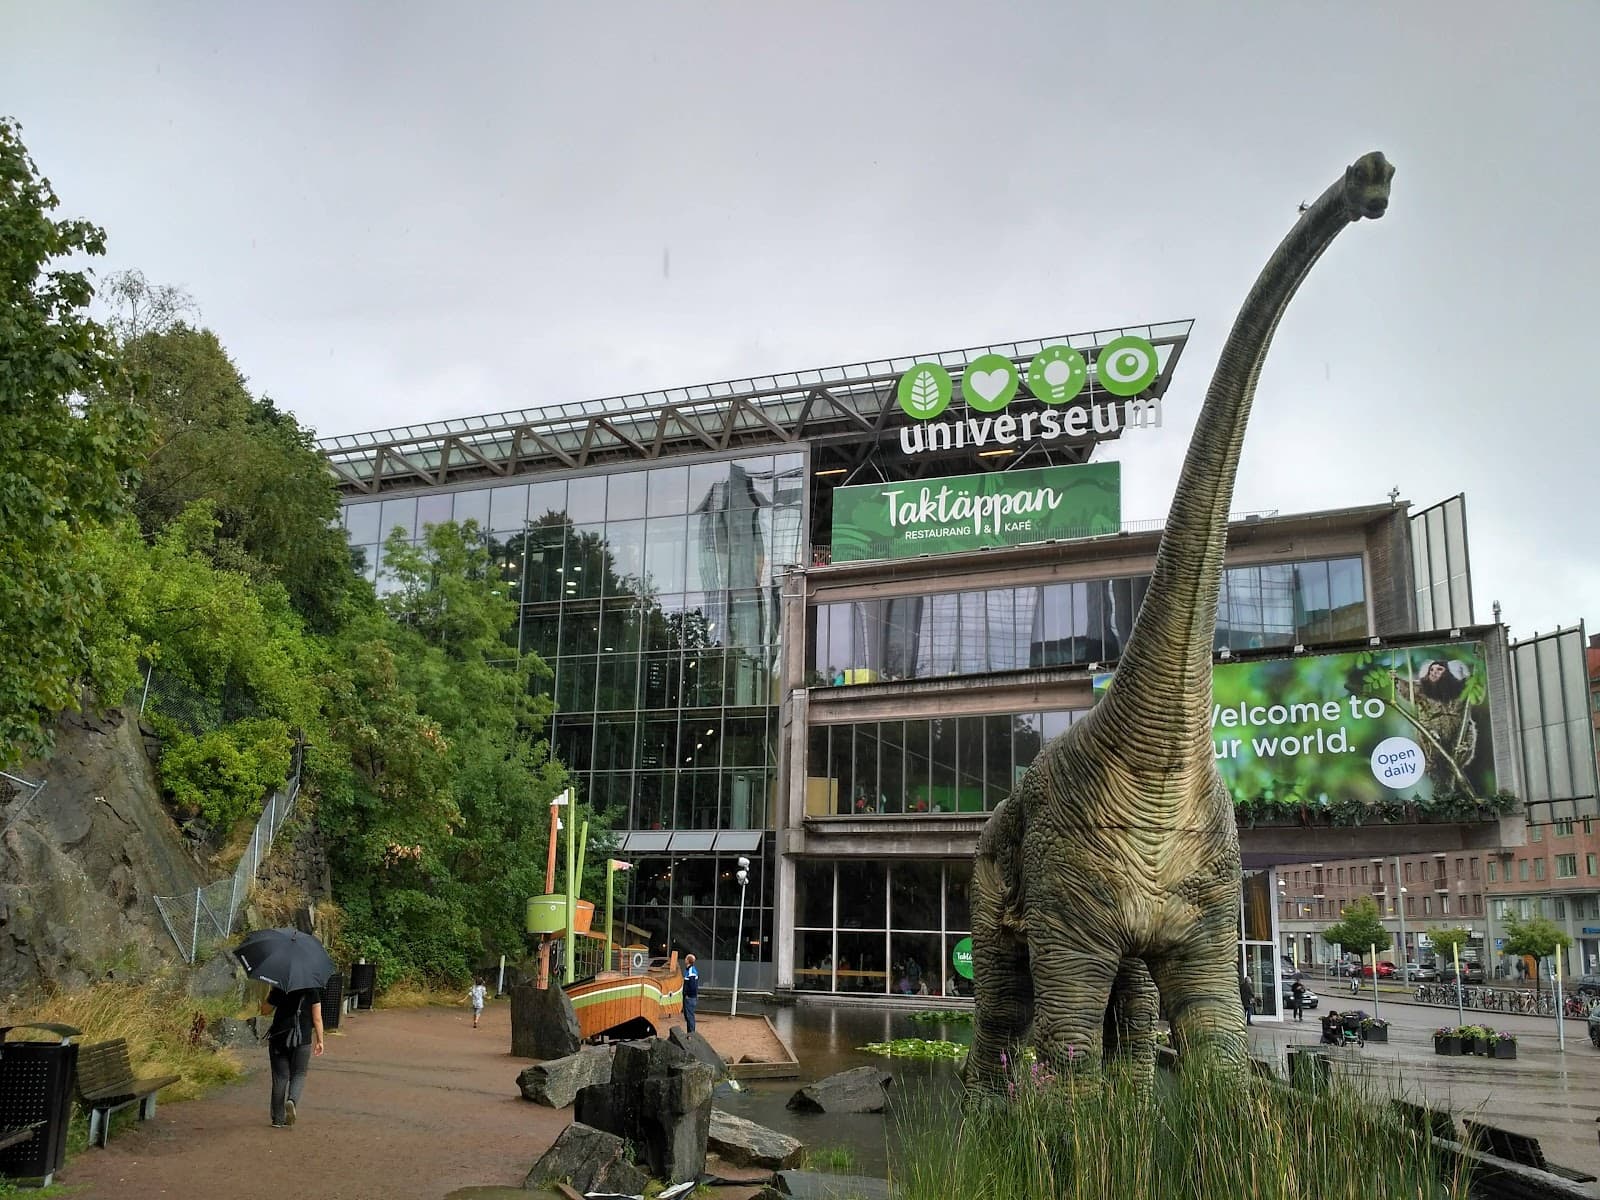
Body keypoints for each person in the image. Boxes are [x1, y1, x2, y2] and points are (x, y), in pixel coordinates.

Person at [260, 984, 325, 1129]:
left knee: (280, 1077)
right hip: (302, 1040)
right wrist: (320, 1040)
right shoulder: (312, 990)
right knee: (299, 1074)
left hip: (279, 1038)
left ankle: (277, 1119)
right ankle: (292, 1101)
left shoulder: (280, 988)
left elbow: (264, 1011)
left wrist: (269, 994)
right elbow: (317, 1018)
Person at [682, 953, 700, 1033]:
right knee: (688, 1016)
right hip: (690, 997)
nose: (684, 959)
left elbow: (692, 986)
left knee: (690, 1016)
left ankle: (691, 1034)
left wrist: (688, 995)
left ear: (688, 961)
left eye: (686, 958)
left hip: (690, 997)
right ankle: (690, 1033)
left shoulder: (691, 971)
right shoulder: (690, 970)